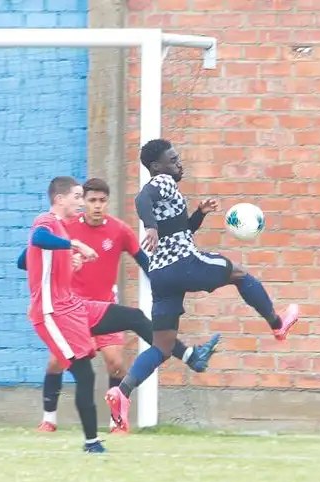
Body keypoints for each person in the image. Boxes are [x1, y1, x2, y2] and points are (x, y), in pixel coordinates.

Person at [108, 139, 300, 432]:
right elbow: (141, 199)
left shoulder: (169, 191)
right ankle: (277, 323)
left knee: (162, 346)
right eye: (173, 160)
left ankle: (121, 393)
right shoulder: (162, 181)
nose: (178, 164)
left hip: (160, 274)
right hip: (183, 264)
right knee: (238, 274)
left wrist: (198, 213)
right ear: (157, 167)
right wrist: (149, 226)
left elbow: (180, 230)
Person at [25, 177, 218, 452]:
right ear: (61, 199)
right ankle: (61, 426)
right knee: (70, 368)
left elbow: (30, 256)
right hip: (57, 313)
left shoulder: (112, 230)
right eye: (81, 198)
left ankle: (190, 357)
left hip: (83, 308)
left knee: (134, 322)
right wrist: (74, 248)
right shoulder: (52, 223)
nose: (86, 204)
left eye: (95, 199)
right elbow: (35, 243)